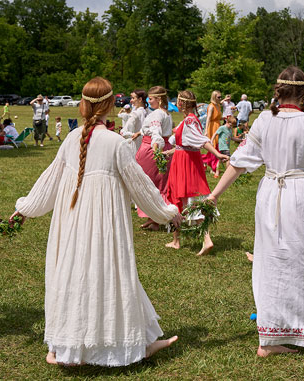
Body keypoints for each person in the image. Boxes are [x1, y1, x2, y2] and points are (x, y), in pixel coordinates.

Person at [10, 76, 181, 367]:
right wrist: (168, 212)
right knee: (108, 275)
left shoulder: (71, 138)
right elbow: (141, 187)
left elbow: (49, 180)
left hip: (73, 222)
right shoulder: (116, 143)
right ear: (111, 105)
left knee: (75, 275)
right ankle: (111, 346)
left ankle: (68, 347)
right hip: (103, 225)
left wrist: (26, 208)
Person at [207, 66, 304, 356]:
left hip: (270, 192)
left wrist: (213, 195)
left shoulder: (263, 121)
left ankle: (281, 334)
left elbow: (239, 161)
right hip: (298, 194)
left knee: (271, 262)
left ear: (278, 91)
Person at [164, 90, 229, 255]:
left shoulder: (190, 121)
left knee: (190, 201)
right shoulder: (187, 120)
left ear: (183, 104)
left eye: (179, 102)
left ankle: (206, 240)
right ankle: (176, 240)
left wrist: (217, 154)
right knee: (178, 199)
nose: (177, 105)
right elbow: (183, 145)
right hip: (182, 160)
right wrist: (168, 153)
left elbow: (201, 141)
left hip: (187, 164)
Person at [131, 86, 174, 230]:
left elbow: (156, 132)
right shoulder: (165, 113)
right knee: (159, 183)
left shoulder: (157, 114)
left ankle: (159, 216)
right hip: (163, 147)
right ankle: (154, 217)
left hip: (152, 149)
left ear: (159, 99)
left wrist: (156, 146)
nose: (148, 101)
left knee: (150, 183)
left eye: (151, 99)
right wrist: (139, 132)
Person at [203, 90, 223, 178]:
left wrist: (224, 118)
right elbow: (208, 119)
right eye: (219, 97)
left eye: (220, 97)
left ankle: (207, 162)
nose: (220, 98)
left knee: (217, 146)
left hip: (218, 125)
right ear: (214, 97)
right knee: (214, 147)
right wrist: (206, 130)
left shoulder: (218, 105)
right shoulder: (211, 106)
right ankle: (213, 167)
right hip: (212, 127)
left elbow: (218, 117)